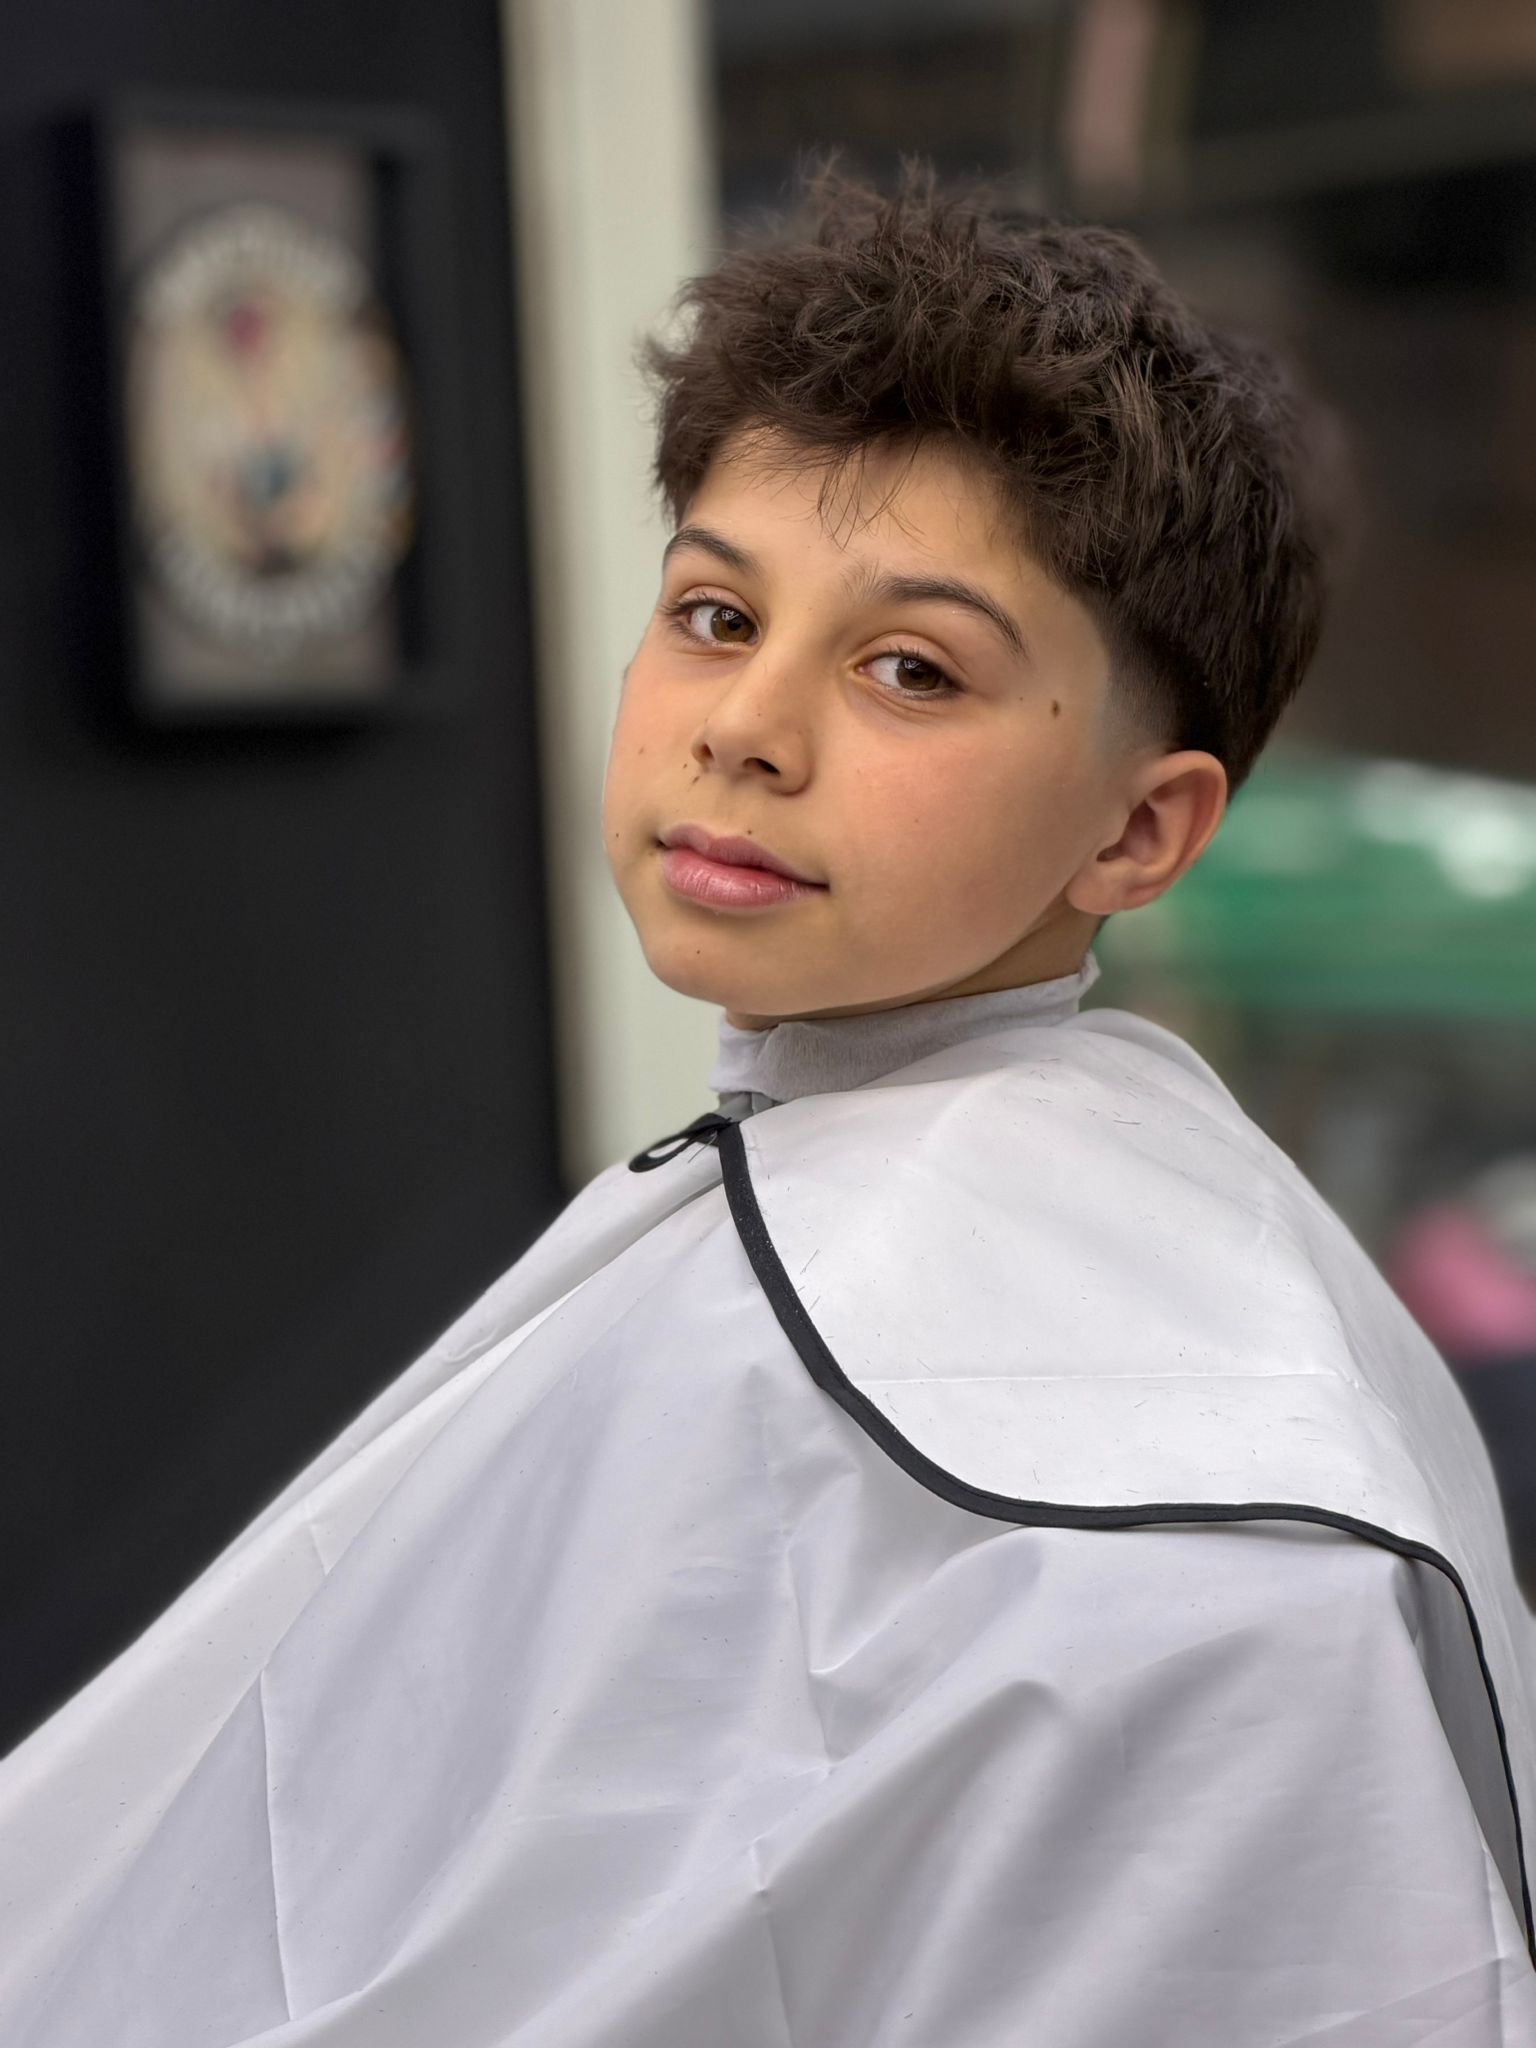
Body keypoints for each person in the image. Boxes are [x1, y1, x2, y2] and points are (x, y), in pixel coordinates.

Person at [3, 163, 1534, 2047]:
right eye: (718, 616)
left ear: (1143, 831)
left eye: (911, 668)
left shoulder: (1164, 1491)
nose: (744, 726)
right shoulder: (996, 1221)